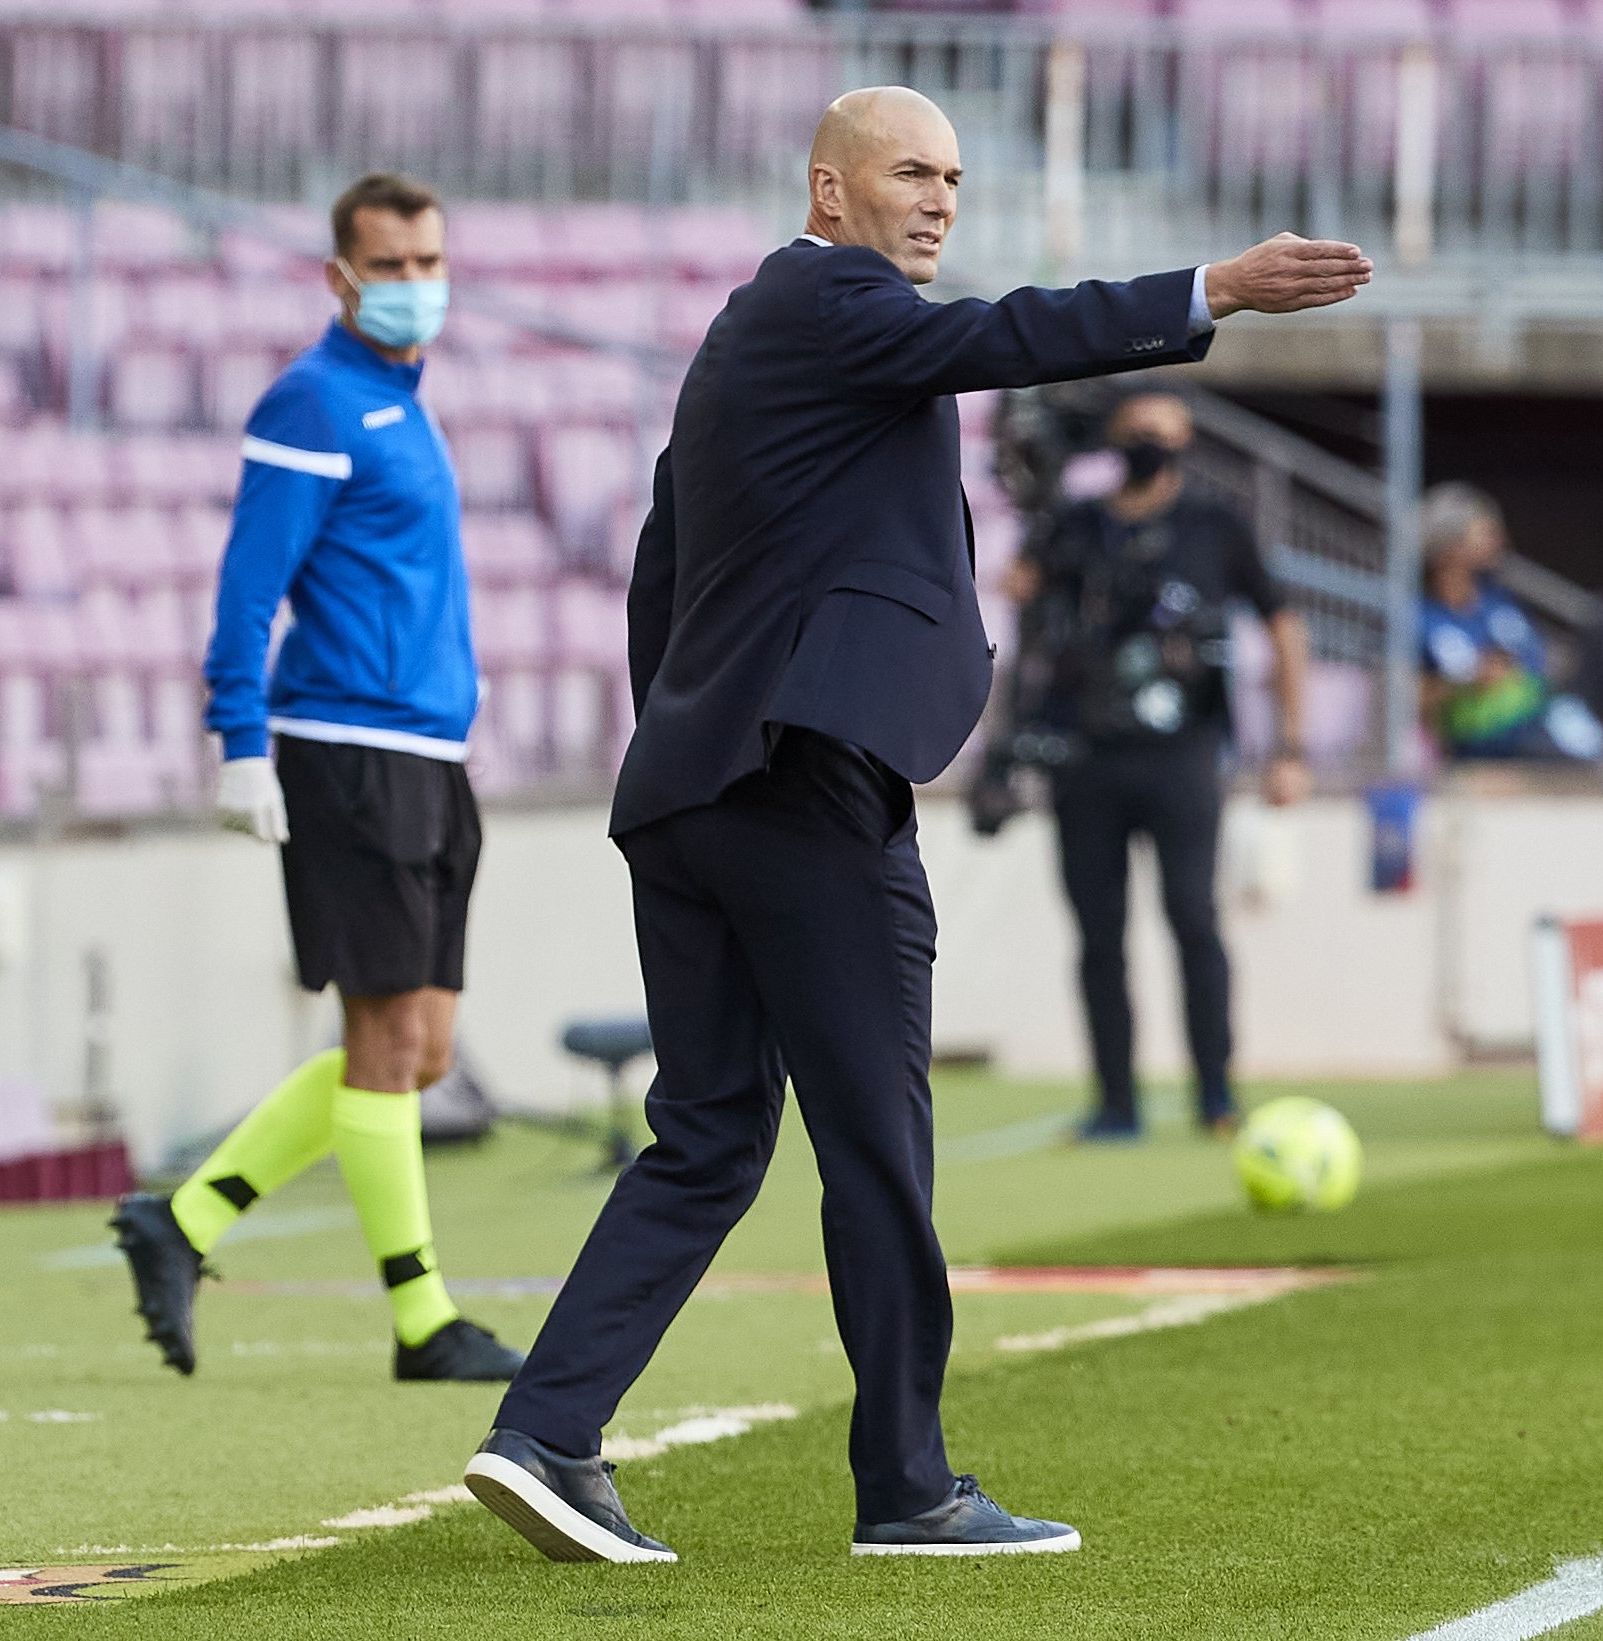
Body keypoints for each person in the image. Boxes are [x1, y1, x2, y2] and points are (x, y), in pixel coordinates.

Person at [461, 87, 1368, 1564]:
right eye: (908, 173)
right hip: (805, 789)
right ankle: (908, 1486)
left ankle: (547, 1432)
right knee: (876, 1144)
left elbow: (658, 564)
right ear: (830, 191)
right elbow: (1005, 338)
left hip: (697, 789)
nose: (940, 198)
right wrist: (1212, 290)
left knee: (703, 1140)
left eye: (954, 174)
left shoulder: (754, 339)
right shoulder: (834, 302)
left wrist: (690, 740)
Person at [108, 173, 524, 1386]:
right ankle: (422, 1320)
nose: (413, 287)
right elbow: (248, 586)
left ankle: (180, 1222)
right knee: (387, 1040)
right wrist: (238, 739)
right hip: (348, 754)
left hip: (430, 758)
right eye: (389, 268)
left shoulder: (407, 403)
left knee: (422, 1049)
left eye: (427, 263)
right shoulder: (313, 400)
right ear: (339, 277)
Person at [1008, 388, 1309, 1142]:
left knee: (1192, 917)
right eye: (1139, 431)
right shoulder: (1074, 526)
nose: (1151, 444)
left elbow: (1283, 626)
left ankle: (1215, 1093)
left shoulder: (1215, 526)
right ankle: (1116, 1102)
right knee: (1097, 934)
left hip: (1182, 755)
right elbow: (1021, 604)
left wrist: (1289, 746)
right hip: (1085, 757)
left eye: (1166, 433)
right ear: (1114, 439)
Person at [1418, 482, 1603, 763]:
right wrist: (1469, 678)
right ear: (1449, 546)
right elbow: (1405, 699)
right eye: (1485, 532)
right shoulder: (1418, 615)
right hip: (1487, 733)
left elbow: (1543, 661)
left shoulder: (1500, 601)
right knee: (1562, 741)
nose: (1500, 541)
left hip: (1542, 706)